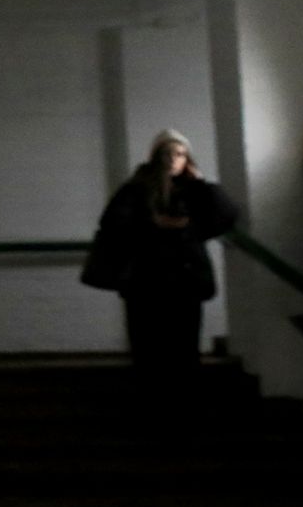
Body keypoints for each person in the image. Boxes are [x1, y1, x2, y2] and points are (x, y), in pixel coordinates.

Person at [89, 129, 238, 394]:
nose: (173, 160)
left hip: (185, 282)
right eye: (167, 153)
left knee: (185, 346)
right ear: (155, 157)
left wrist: (204, 184)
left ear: (187, 159)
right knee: (148, 347)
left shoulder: (194, 190)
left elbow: (225, 215)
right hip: (146, 282)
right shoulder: (137, 188)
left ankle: (182, 405)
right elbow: (114, 223)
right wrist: (153, 225)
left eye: (180, 154)